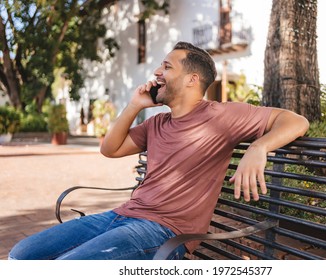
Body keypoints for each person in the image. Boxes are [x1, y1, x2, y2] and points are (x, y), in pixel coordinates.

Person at [9, 41, 309, 260]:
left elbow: (296, 120)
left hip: (164, 231)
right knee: (22, 255)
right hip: (121, 216)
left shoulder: (223, 115)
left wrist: (258, 147)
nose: (156, 72)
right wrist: (135, 105)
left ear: (193, 79)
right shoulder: (157, 123)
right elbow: (109, 149)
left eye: (167, 66)